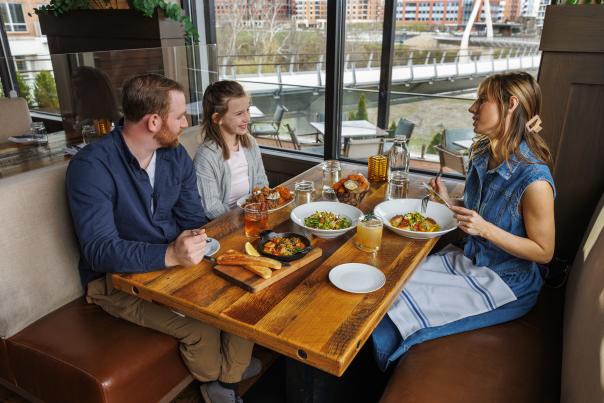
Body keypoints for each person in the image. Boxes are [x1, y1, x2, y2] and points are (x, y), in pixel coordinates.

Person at [66, 74, 260, 403]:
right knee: (201, 328)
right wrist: (170, 254)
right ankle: (220, 382)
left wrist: (200, 242)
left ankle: (229, 372)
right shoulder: (92, 166)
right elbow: (99, 251)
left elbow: (192, 217)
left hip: (173, 265)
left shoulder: (174, 155)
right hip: (115, 280)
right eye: (180, 116)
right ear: (154, 121)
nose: (186, 123)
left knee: (247, 292)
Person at [372, 72, 556, 371]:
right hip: (467, 258)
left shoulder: (535, 181)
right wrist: (447, 202)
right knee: (382, 286)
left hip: (504, 281)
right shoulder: (484, 152)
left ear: (511, 105)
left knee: (390, 319)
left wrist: (485, 229)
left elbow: (544, 251)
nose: (472, 108)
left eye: (482, 100)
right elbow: (478, 211)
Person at [194, 80, 269, 220]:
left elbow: (261, 183)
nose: (247, 118)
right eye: (239, 113)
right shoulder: (206, 157)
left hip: (253, 216)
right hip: (226, 223)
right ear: (217, 118)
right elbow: (211, 208)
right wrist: (244, 218)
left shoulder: (250, 143)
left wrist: (259, 209)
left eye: (247, 110)